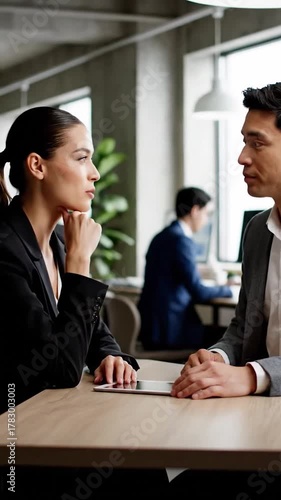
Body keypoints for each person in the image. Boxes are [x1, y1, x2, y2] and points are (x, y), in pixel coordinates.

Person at [0, 106, 168, 498]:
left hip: (54, 420)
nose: (94, 173)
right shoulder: (6, 251)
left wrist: (109, 354)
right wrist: (79, 266)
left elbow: (94, 332)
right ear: (37, 166)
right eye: (81, 158)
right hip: (15, 441)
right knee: (140, 475)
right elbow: (59, 367)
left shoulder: (58, 241)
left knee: (145, 464)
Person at [168, 83, 281, 498]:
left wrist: (252, 376)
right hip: (257, 423)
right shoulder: (257, 233)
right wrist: (217, 357)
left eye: (258, 143)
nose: (241, 157)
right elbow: (241, 328)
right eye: (242, 141)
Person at [138, 186, 232, 351]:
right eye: (206, 213)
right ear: (195, 210)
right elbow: (199, 292)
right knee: (229, 337)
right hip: (170, 332)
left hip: (151, 328)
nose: (206, 220)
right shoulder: (182, 241)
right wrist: (228, 289)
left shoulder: (161, 236)